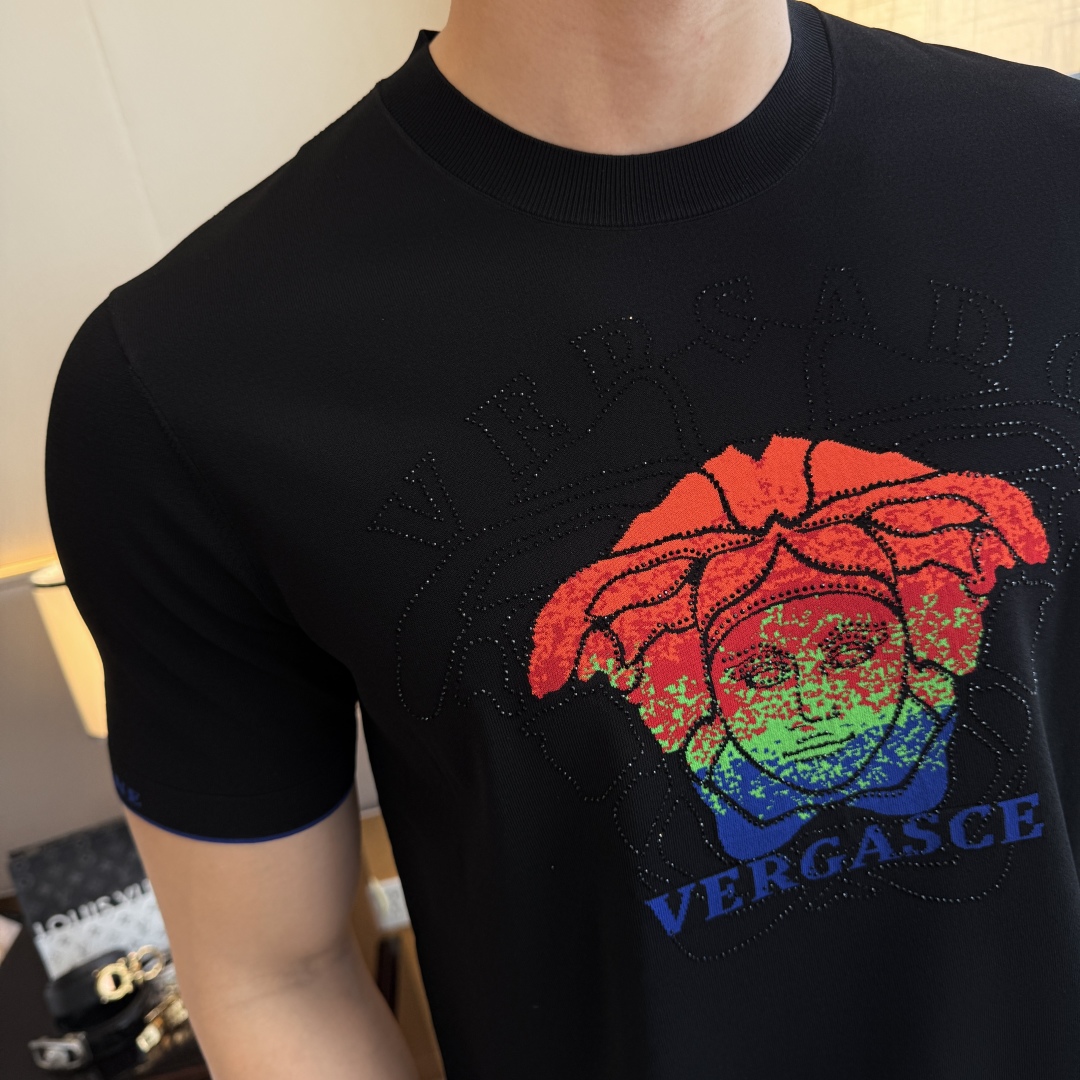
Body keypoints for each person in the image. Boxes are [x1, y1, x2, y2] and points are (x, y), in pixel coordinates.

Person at [43, 0, 1080, 1075]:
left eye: (849, 650)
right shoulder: (181, 386)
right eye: (767, 671)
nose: (816, 703)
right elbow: (274, 976)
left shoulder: (1056, 174)